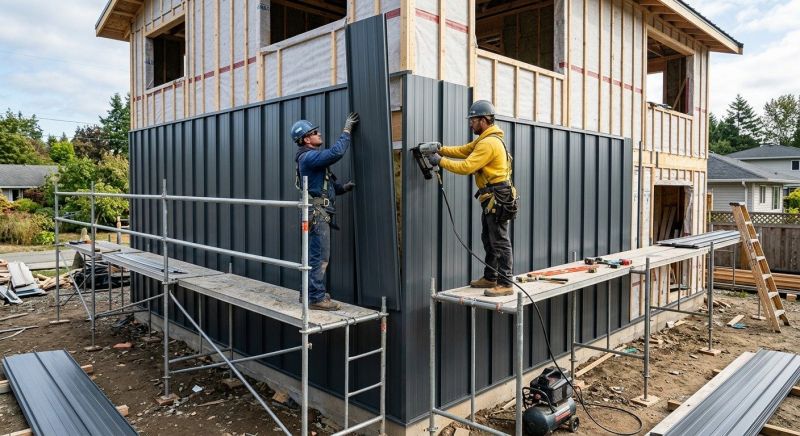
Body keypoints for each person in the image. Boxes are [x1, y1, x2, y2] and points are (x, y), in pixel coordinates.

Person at [427, 100, 518, 297]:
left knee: (500, 240)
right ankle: (491, 276)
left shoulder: (489, 143)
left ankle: (505, 282)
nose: (470, 124)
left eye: (473, 120)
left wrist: (439, 161)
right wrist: (441, 149)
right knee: (488, 237)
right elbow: (464, 150)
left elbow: (467, 166)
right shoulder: (484, 139)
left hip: (497, 195)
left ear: (484, 120)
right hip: (493, 195)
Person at [292, 112, 359, 310]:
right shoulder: (309, 157)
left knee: (314, 254)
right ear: (306, 139)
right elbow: (336, 153)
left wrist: (343, 188)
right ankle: (316, 298)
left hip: (317, 211)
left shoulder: (310, 159)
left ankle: (309, 293)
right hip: (317, 213)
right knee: (319, 255)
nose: (319, 133)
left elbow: (322, 187)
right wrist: (347, 131)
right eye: (314, 132)